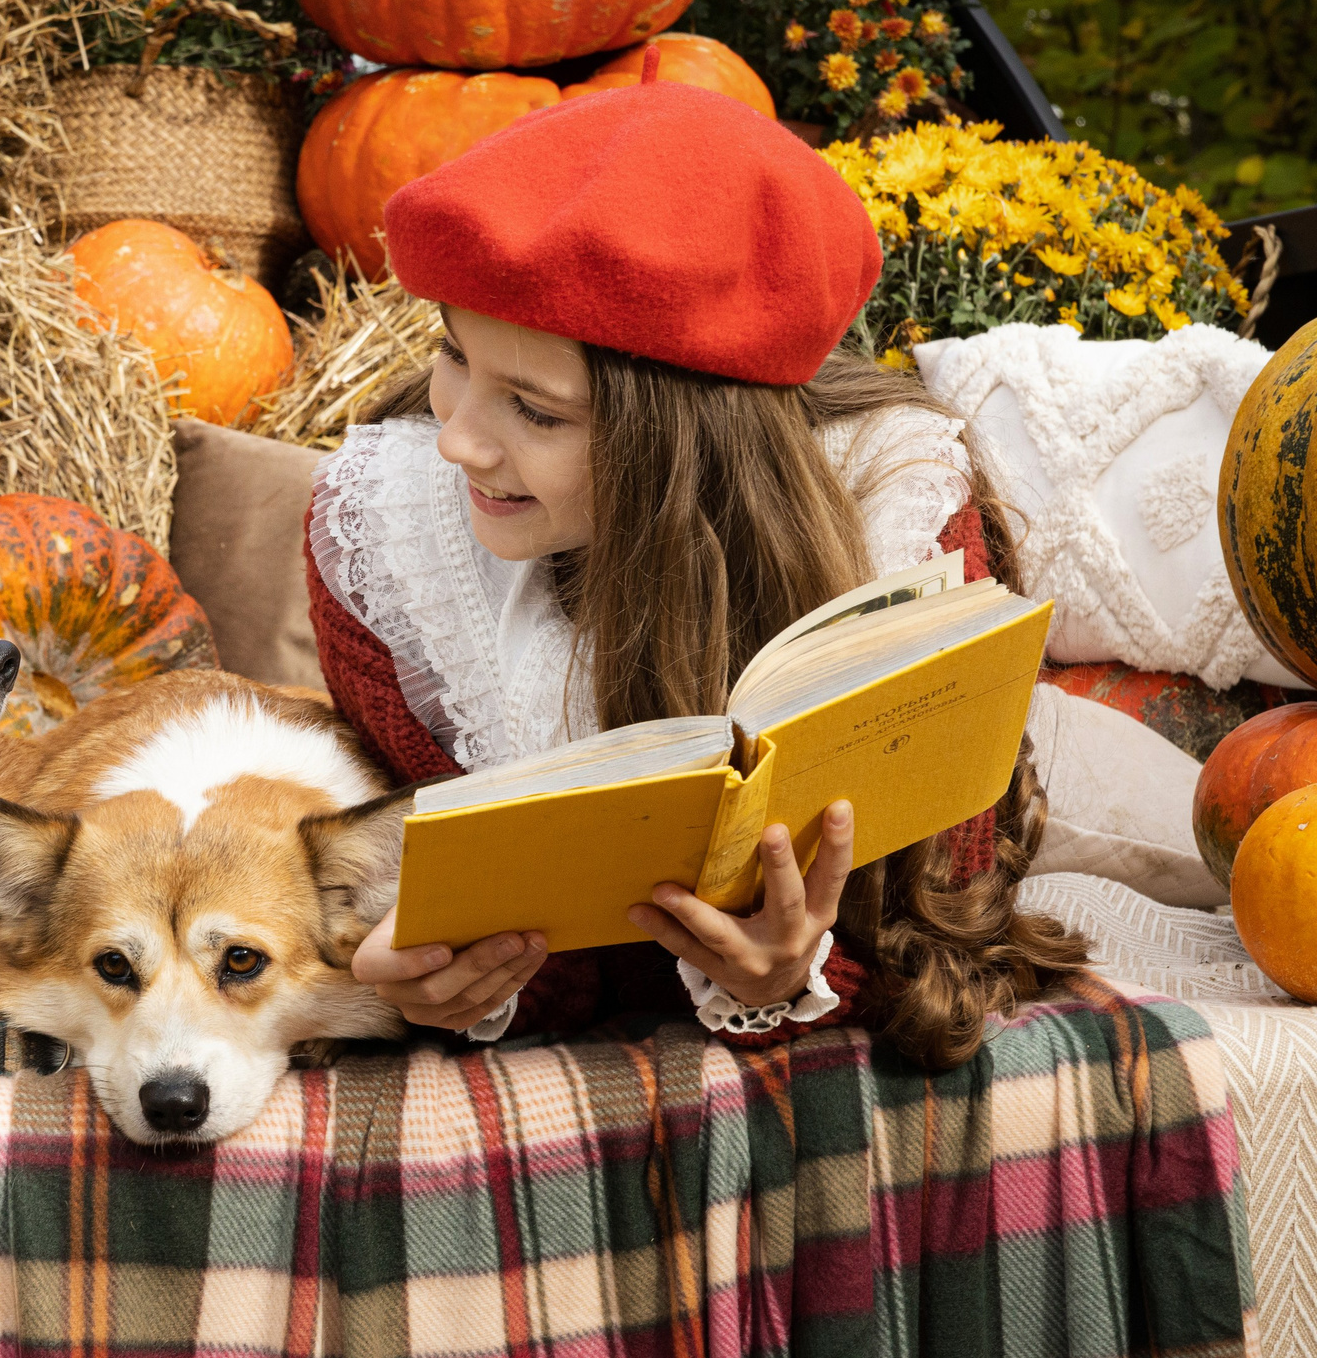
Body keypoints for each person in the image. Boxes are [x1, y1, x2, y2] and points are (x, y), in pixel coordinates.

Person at [307, 59, 1087, 1067]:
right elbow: (533, 950)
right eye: (454, 355)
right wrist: (458, 984)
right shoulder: (388, 543)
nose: (456, 439)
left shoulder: (898, 510)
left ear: (682, 446)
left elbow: (940, 929)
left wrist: (789, 980)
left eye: (535, 411)